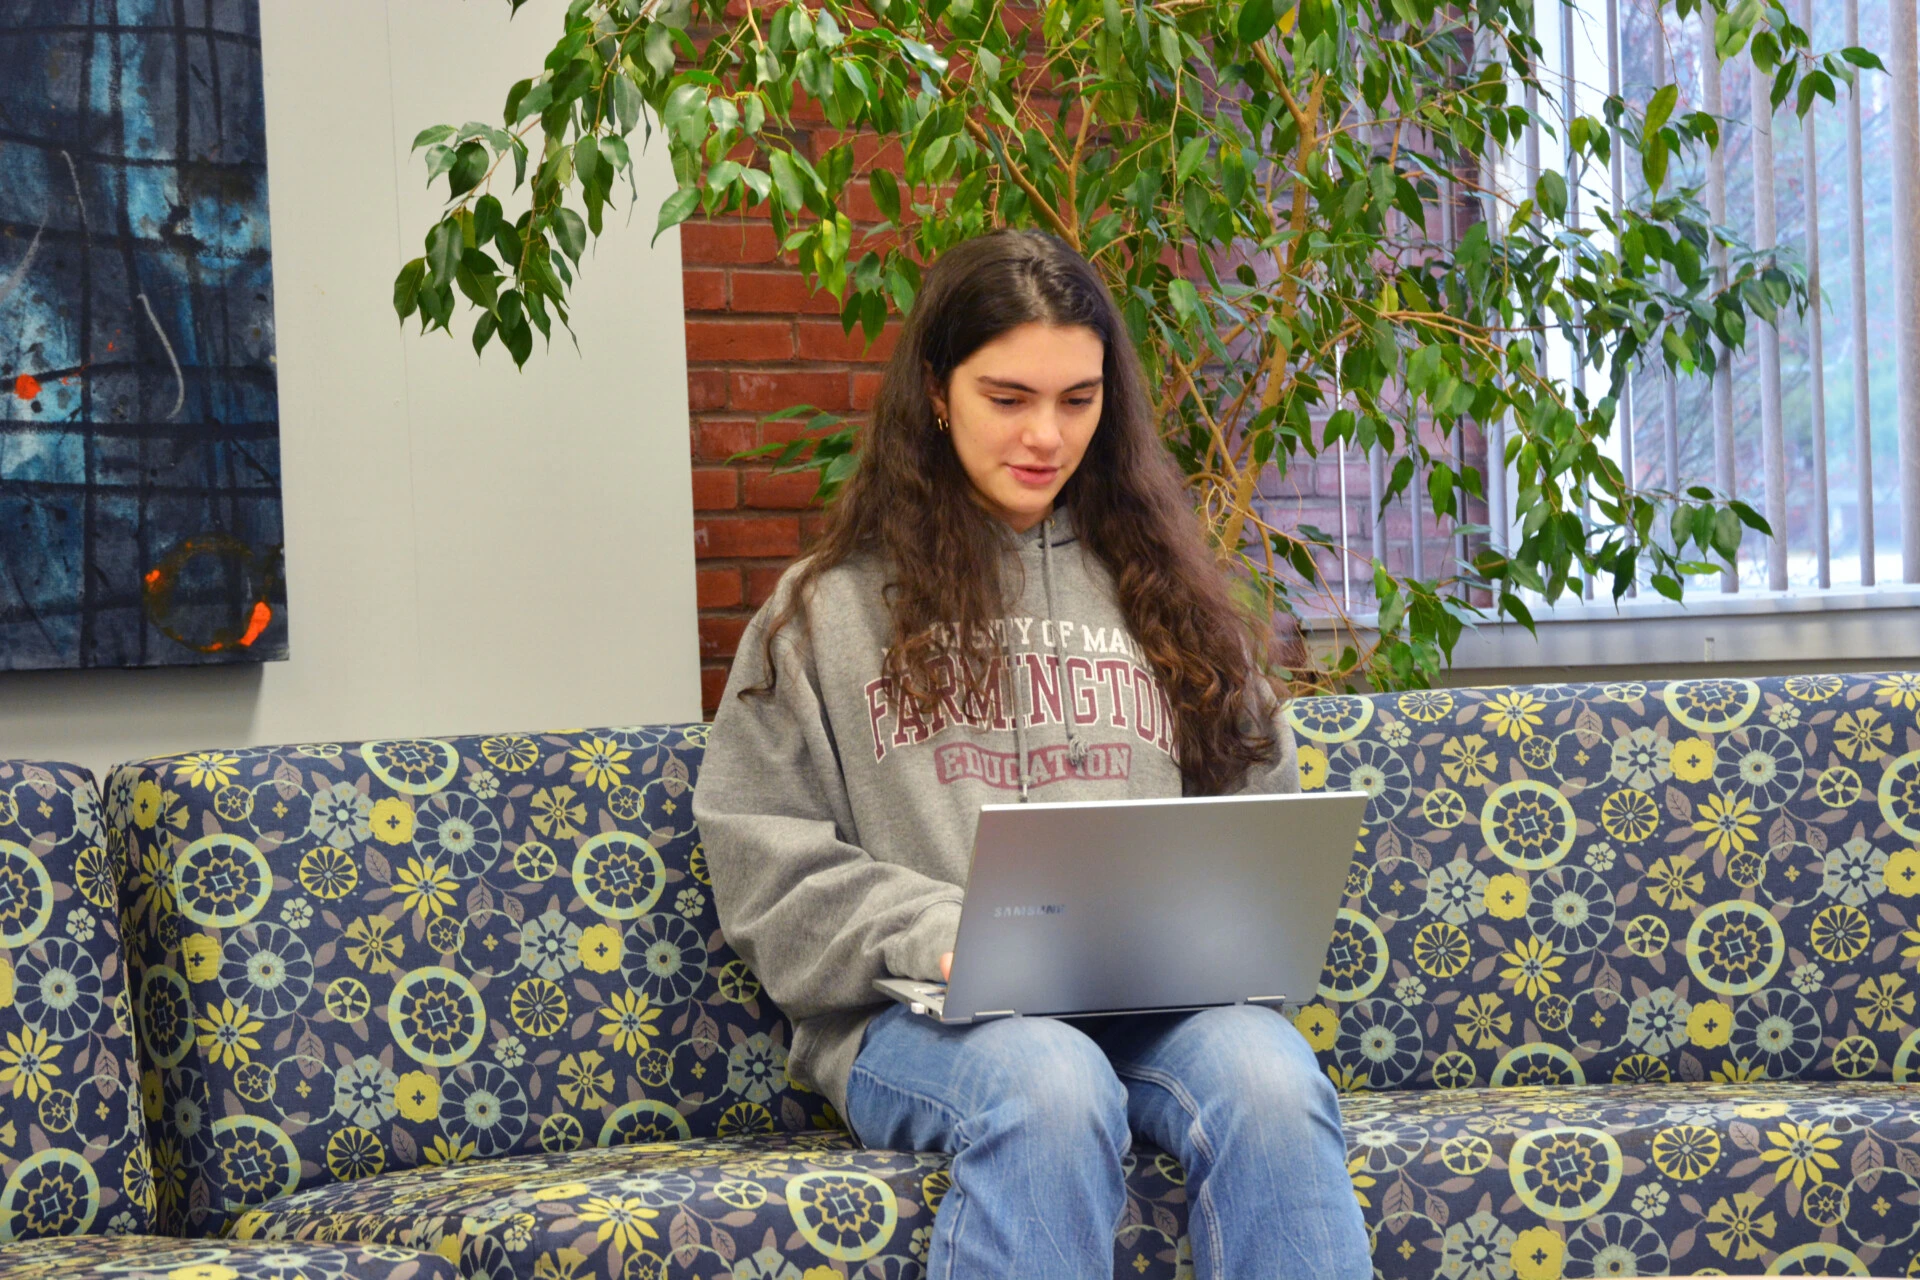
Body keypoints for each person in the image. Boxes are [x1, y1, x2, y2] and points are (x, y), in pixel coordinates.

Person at [693, 228, 1369, 1280]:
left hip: (1157, 1008)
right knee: (1051, 1082)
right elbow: (763, 862)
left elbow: (1256, 813)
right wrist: (943, 930)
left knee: (1272, 1075)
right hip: (926, 1021)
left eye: (1078, 399)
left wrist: (1212, 929)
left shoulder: (1173, 599)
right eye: (1008, 398)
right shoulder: (823, 612)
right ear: (935, 389)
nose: (1047, 435)